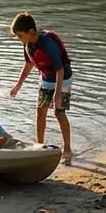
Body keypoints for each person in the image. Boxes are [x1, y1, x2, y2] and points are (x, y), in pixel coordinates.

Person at [9, 12, 74, 164]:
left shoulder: (47, 44)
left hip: (62, 79)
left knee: (59, 112)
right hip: (46, 79)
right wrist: (18, 84)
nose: (19, 39)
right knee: (40, 110)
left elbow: (60, 69)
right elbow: (28, 64)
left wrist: (57, 94)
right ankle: (39, 145)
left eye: (20, 36)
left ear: (31, 32)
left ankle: (67, 148)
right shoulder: (27, 45)